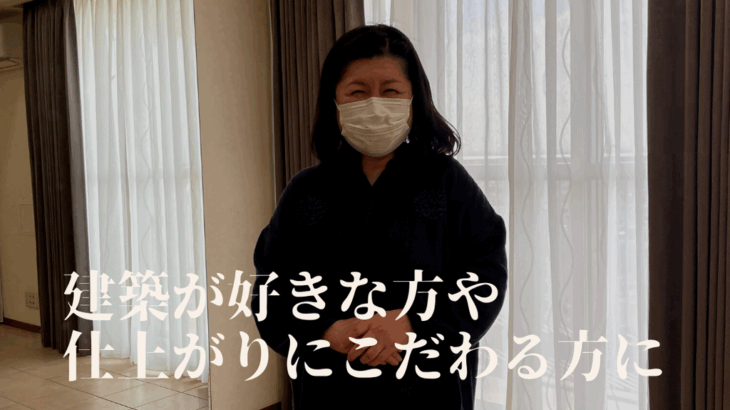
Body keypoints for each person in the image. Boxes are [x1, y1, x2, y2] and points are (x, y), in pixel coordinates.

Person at [252, 24, 508, 410]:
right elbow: (271, 290)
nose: (374, 105)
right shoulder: (305, 191)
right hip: (330, 389)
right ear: (335, 102)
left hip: (429, 387)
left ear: (413, 99)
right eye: (357, 92)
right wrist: (328, 330)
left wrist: (411, 324)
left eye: (390, 91)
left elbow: (485, 276)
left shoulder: (448, 182)